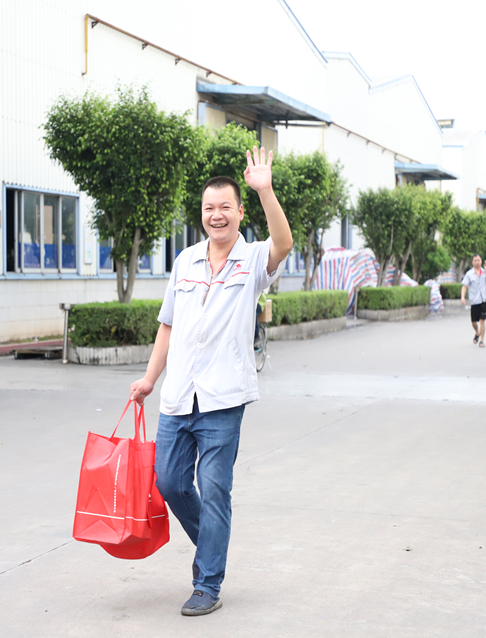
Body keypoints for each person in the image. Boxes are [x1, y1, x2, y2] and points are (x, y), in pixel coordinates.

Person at [129, 146, 292, 616]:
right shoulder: (185, 261)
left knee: (215, 489)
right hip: (178, 394)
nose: (216, 215)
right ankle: (213, 545)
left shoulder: (253, 259)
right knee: (170, 482)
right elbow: (168, 325)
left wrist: (265, 190)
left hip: (223, 398)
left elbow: (283, 243)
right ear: (201, 214)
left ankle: (207, 583)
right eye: (208, 208)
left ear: (240, 212)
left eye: (225, 207)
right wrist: (149, 379)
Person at [460, 254, 486, 348]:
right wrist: (462, 297)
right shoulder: (469, 274)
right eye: (475, 260)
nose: (477, 262)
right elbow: (464, 286)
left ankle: (482, 340)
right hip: (474, 301)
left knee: (482, 320)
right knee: (474, 322)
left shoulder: (484, 272)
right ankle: (477, 332)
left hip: (484, 299)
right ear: (472, 262)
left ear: (481, 261)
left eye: (478, 260)